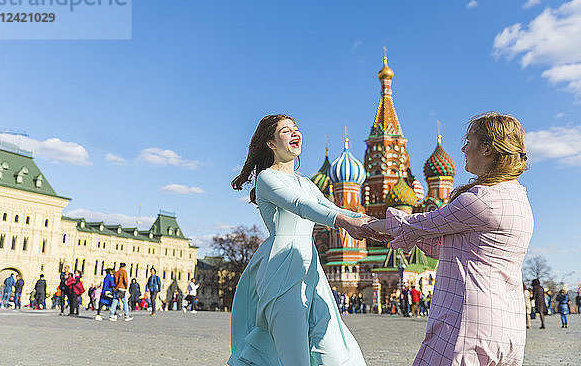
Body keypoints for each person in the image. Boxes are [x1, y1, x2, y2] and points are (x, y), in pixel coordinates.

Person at [366, 113, 533, 365]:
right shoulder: (520, 199)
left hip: (467, 325)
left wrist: (361, 223)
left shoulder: (480, 199)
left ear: (487, 149)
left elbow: (417, 224)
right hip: (508, 325)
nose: (464, 149)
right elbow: (446, 245)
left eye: (469, 141)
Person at [228, 114, 373, 366]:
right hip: (281, 268)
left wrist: (383, 224)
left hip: (311, 269)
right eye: (286, 131)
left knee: (336, 351)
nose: (295, 133)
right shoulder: (267, 178)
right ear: (271, 144)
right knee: (294, 356)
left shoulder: (306, 183)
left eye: (296, 129)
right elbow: (300, 206)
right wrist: (344, 222)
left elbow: (335, 208)